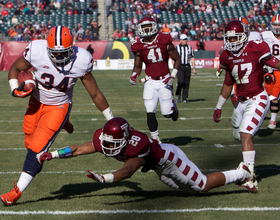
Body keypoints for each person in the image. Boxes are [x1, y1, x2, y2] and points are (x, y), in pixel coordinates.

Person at [0, 26, 114, 206]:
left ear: (73, 48)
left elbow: (95, 94)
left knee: (36, 150)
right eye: (55, 53)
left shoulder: (81, 59)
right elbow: (15, 68)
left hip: (59, 106)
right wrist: (15, 90)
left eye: (64, 53)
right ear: (47, 47)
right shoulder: (36, 50)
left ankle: (16, 192)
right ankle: (65, 123)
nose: (59, 57)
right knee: (29, 140)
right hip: (36, 102)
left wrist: (112, 119)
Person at [37, 117, 257, 194]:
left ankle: (242, 173)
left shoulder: (137, 145)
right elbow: (76, 149)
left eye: (114, 143)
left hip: (171, 160)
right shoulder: (105, 138)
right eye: (106, 141)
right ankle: (241, 174)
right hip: (158, 167)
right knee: (191, 192)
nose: (106, 146)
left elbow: (128, 171)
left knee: (202, 185)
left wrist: (104, 178)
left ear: (124, 139)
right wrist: (53, 154)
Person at [213, 20, 280, 192]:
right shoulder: (225, 56)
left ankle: (249, 173)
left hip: (257, 98)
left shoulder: (256, 48)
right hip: (240, 101)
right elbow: (228, 83)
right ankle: (248, 168)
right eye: (230, 38)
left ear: (244, 37)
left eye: (236, 38)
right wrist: (219, 106)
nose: (232, 42)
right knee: (238, 135)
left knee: (245, 133)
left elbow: (275, 63)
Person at [129, 16, 181, 144]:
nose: (146, 30)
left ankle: (173, 109)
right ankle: (155, 139)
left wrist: (172, 75)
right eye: (143, 28)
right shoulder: (138, 46)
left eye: (148, 27)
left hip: (165, 80)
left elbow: (177, 59)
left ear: (154, 26)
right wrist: (134, 75)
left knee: (166, 113)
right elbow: (137, 66)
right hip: (150, 81)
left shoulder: (164, 39)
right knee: (149, 110)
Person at [261, 15, 280, 129]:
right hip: (269, 69)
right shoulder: (265, 35)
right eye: (275, 25)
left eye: (279, 25)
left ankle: (272, 121)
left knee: (273, 95)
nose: (277, 27)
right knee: (269, 95)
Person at [175, 34, 196, 103]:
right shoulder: (177, 48)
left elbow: (192, 58)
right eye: (183, 39)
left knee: (187, 83)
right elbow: (173, 58)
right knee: (181, 81)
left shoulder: (189, 48)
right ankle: (178, 94)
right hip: (180, 66)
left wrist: (194, 68)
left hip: (187, 66)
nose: (185, 41)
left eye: (186, 39)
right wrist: (174, 66)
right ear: (180, 40)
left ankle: (185, 98)